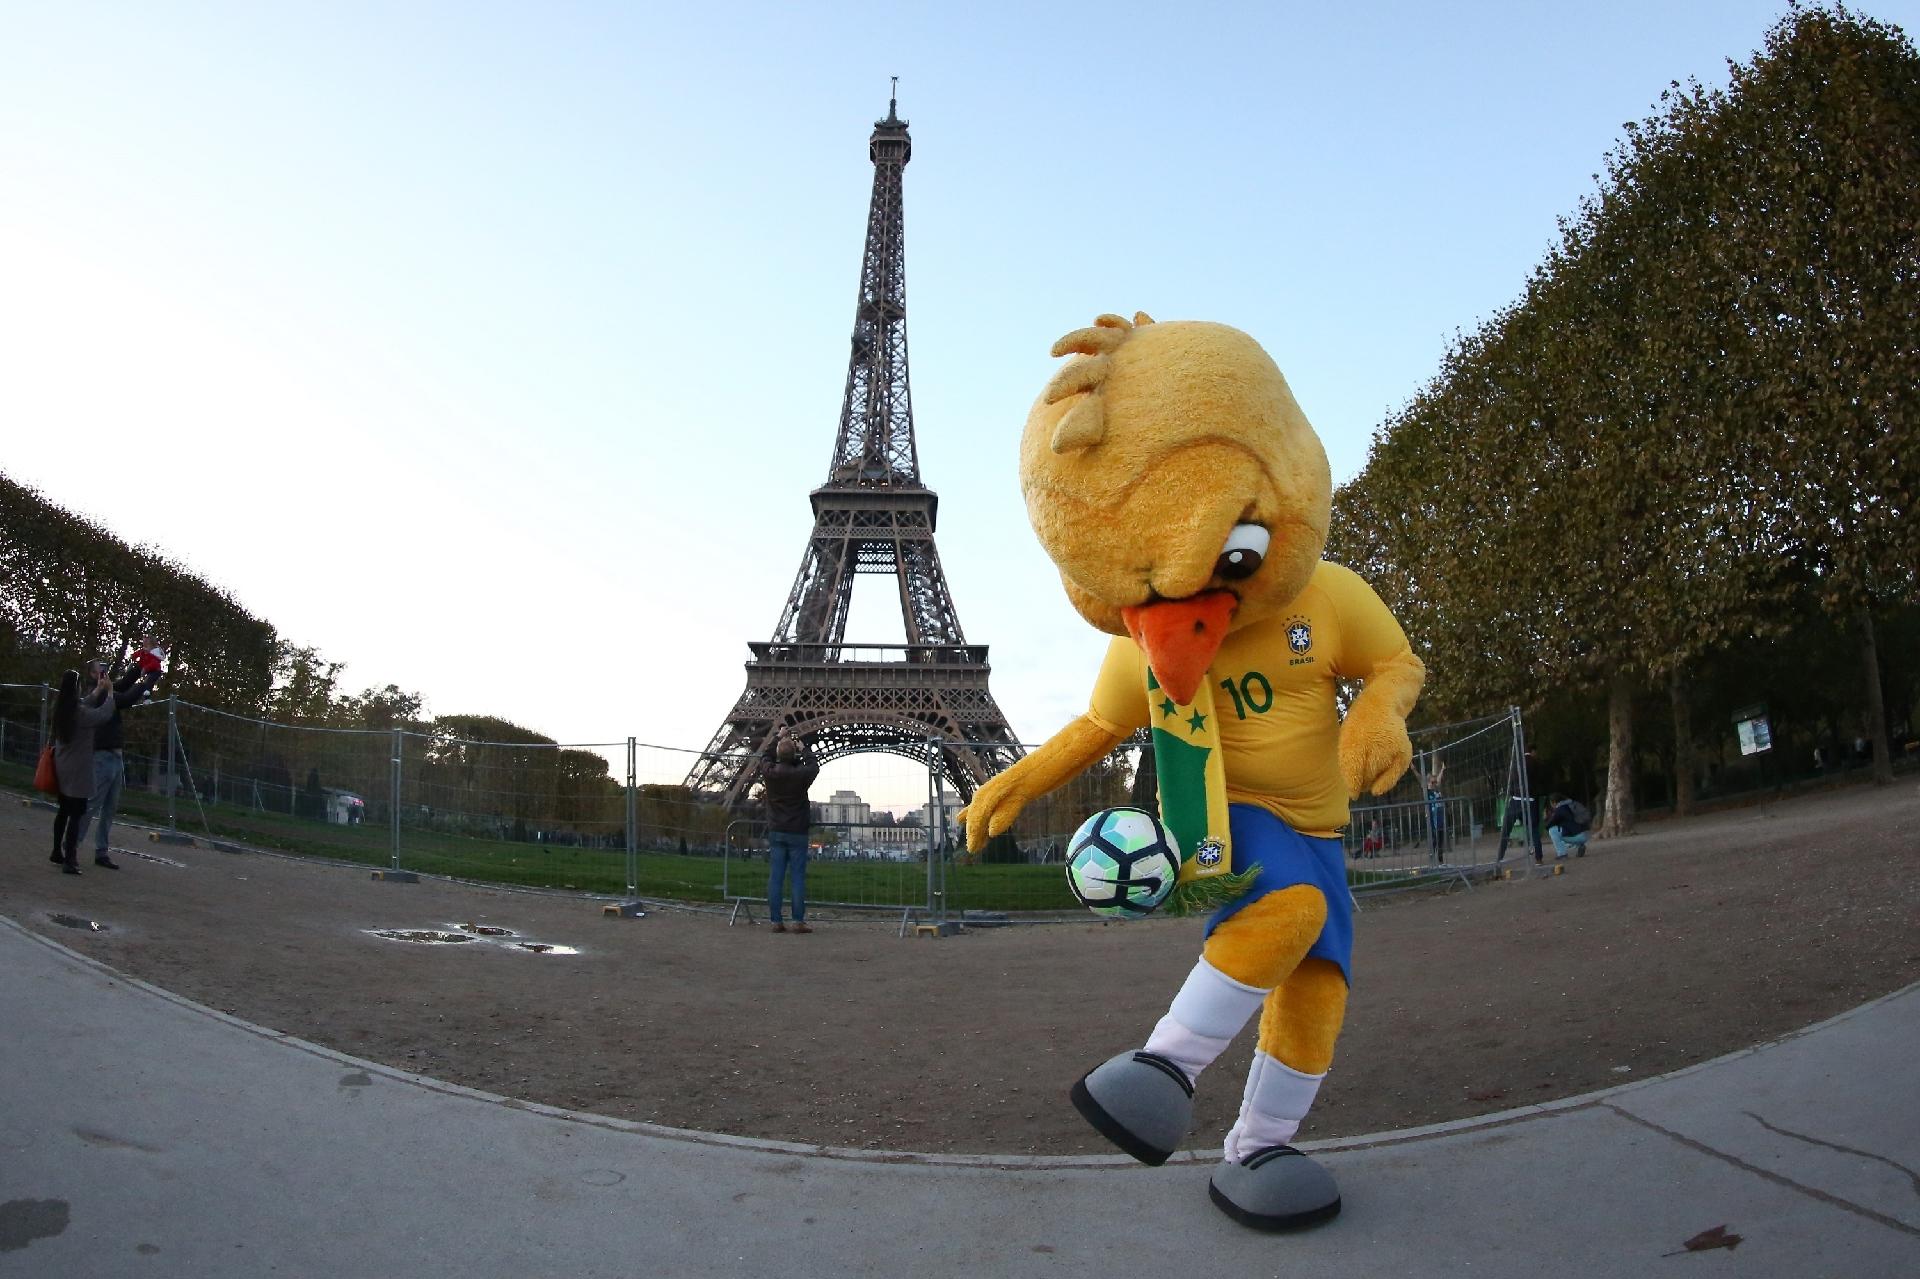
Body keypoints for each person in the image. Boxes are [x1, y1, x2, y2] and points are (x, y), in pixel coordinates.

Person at [72, 657, 161, 867]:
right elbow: (127, 697)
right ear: (93, 675)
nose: (106, 671)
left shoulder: (106, 689)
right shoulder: (99, 693)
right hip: (102, 756)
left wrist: (142, 663)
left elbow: (123, 684)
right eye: (101, 669)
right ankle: (73, 846)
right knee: (92, 805)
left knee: (109, 808)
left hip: (113, 756)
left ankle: (101, 851)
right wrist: (149, 680)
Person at [47, 668, 119, 874]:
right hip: (79, 768)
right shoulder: (80, 714)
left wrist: (98, 690)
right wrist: (110, 693)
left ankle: (56, 851)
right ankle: (70, 859)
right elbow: (102, 715)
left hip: (62, 765)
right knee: (76, 814)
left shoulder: (60, 707)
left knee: (62, 811)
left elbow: (83, 704)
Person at [762, 728, 819, 934]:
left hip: (777, 830)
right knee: (797, 877)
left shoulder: (770, 773)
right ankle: (798, 921)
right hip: (797, 832)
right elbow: (813, 766)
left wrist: (778, 736)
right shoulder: (801, 775)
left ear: (778, 755)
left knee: (775, 876)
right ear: (794, 754)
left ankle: (775, 921)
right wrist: (804, 748)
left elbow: (765, 756)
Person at [1544, 794, 1591, 860]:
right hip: (1586, 834)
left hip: (1578, 836)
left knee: (1552, 831)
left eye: (1551, 803)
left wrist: (1545, 818)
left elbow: (1548, 825)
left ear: (1554, 802)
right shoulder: (1571, 804)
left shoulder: (1560, 810)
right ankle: (1579, 845)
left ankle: (1562, 854)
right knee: (1562, 832)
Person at [1421, 756, 1447, 863]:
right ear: (1428, 783)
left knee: (1440, 840)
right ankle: (1433, 858)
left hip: (1440, 819)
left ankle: (1440, 860)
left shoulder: (1437, 791)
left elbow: (1439, 779)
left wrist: (1442, 769)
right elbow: (1423, 779)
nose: (1435, 782)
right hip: (1433, 820)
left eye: (1434, 781)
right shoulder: (1428, 792)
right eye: (1432, 781)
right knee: (1435, 840)